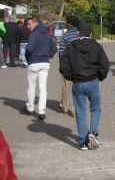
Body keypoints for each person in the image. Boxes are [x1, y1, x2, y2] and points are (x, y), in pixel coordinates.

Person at [59, 22, 110, 151]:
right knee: (95, 108)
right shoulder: (96, 46)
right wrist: (100, 76)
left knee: (80, 112)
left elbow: (63, 66)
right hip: (92, 81)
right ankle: (93, 132)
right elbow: (105, 64)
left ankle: (82, 141)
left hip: (78, 83)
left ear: (77, 33)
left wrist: (70, 77)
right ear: (91, 33)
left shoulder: (71, 47)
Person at [24, 16, 58, 120]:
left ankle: (30, 108)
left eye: (30, 24)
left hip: (34, 62)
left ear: (35, 23)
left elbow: (29, 49)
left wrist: (29, 57)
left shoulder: (33, 34)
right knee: (43, 88)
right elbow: (54, 48)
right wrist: (47, 55)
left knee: (31, 87)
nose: (28, 26)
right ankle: (41, 110)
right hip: (45, 63)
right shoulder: (47, 35)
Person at [58, 15, 79, 117]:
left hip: (68, 65)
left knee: (66, 86)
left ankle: (65, 106)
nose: (66, 24)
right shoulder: (80, 34)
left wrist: (62, 66)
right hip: (79, 66)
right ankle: (75, 110)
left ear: (70, 23)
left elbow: (61, 52)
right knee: (77, 88)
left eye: (67, 22)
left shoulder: (66, 35)